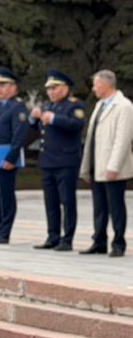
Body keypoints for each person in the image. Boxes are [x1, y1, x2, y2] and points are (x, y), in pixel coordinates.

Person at [30, 70, 86, 251]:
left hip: (66, 161)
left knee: (67, 201)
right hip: (48, 161)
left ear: (65, 88)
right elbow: (34, 128)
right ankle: (52, 236)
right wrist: (34, 117)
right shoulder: (47, 106)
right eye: (49, 89)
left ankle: (67, 239)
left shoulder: (74, 105)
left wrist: (54, 119)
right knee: (51, 202)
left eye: (55, 88)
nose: (51, 92)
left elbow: (76, 125)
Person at [79, 69, 133, 257]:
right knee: (99, 207)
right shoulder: (100, 105)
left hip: (112, 168)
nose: (93, 88)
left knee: (116, 207)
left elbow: (123, 139)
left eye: (96, 84)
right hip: (97, 165)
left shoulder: (124, 106)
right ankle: (99, 241)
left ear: (106, 84)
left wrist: (114, 166)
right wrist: (86, 168)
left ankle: (118, 243)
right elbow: (92, 138)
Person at [0, 67, 31, 244]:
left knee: (5, 195)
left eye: (4, 85)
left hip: (5, 158)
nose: (0, 89)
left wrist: (11, 158)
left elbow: (19, 134)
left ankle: (4, 231)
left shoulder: (18, 106)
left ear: (13, 87)